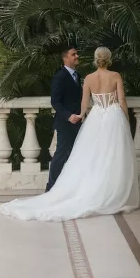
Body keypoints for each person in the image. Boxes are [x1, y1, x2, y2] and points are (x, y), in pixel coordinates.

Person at [0, 46, 140, 221]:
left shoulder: (87, 78)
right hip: (113, 116)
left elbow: (84, 101)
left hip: (95, 117)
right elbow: (122, 99)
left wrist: (81, 115)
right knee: (111, 155)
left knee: (93, 155)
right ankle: (111, 192)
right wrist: (125, 117)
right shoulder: (115, 76)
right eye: (74, 54)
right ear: (109, 59)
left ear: (96, 59)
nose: (77, 56)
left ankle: (93, 190)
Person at [46, 45, 83, 192]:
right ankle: (51, 187)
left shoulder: (77, 76)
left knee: (77, 154)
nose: (77, 57)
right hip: (65, 123)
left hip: (79, 122)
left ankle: (70, 186)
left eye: (77, 54)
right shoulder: (60, 77)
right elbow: (55, 101)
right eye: (73, 54)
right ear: (65, 58)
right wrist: (69, 116)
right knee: (61, 154)